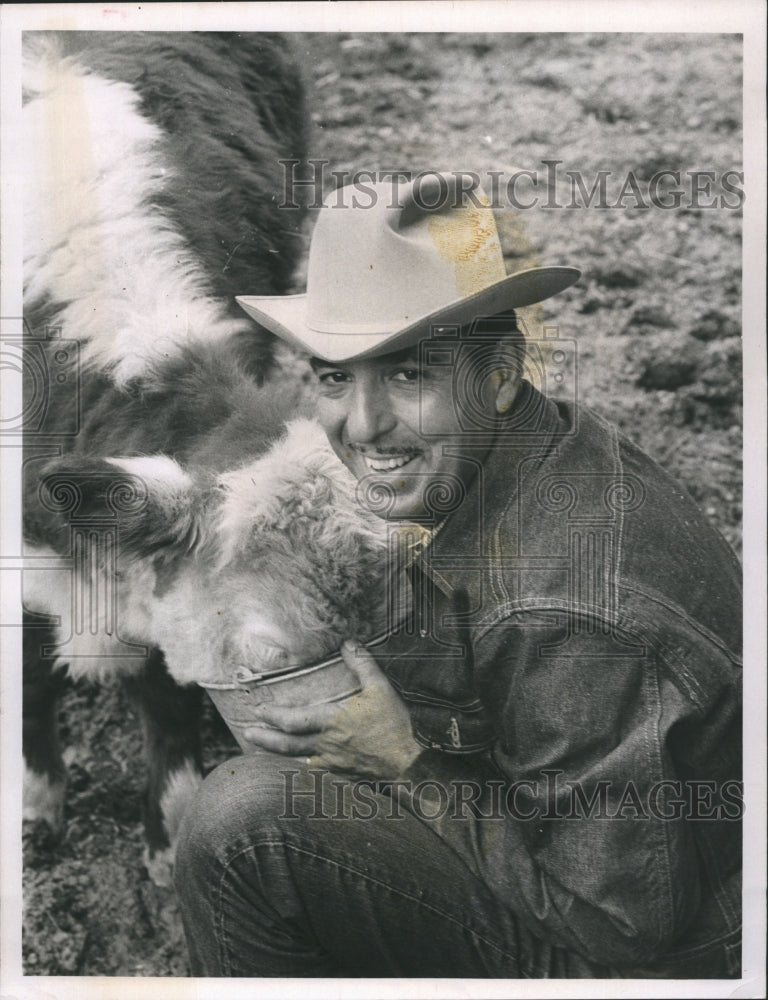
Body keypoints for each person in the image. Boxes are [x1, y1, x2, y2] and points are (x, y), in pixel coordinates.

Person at [174, 174, 742, 979]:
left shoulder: (567, 613)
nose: (362, 426)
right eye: (336, 376)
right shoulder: (548, 450)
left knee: (240, 828)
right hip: (651, 862)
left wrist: (408, 762)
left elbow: (621, 928)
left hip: (667, 959)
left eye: (409, 375)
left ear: (501, 373)